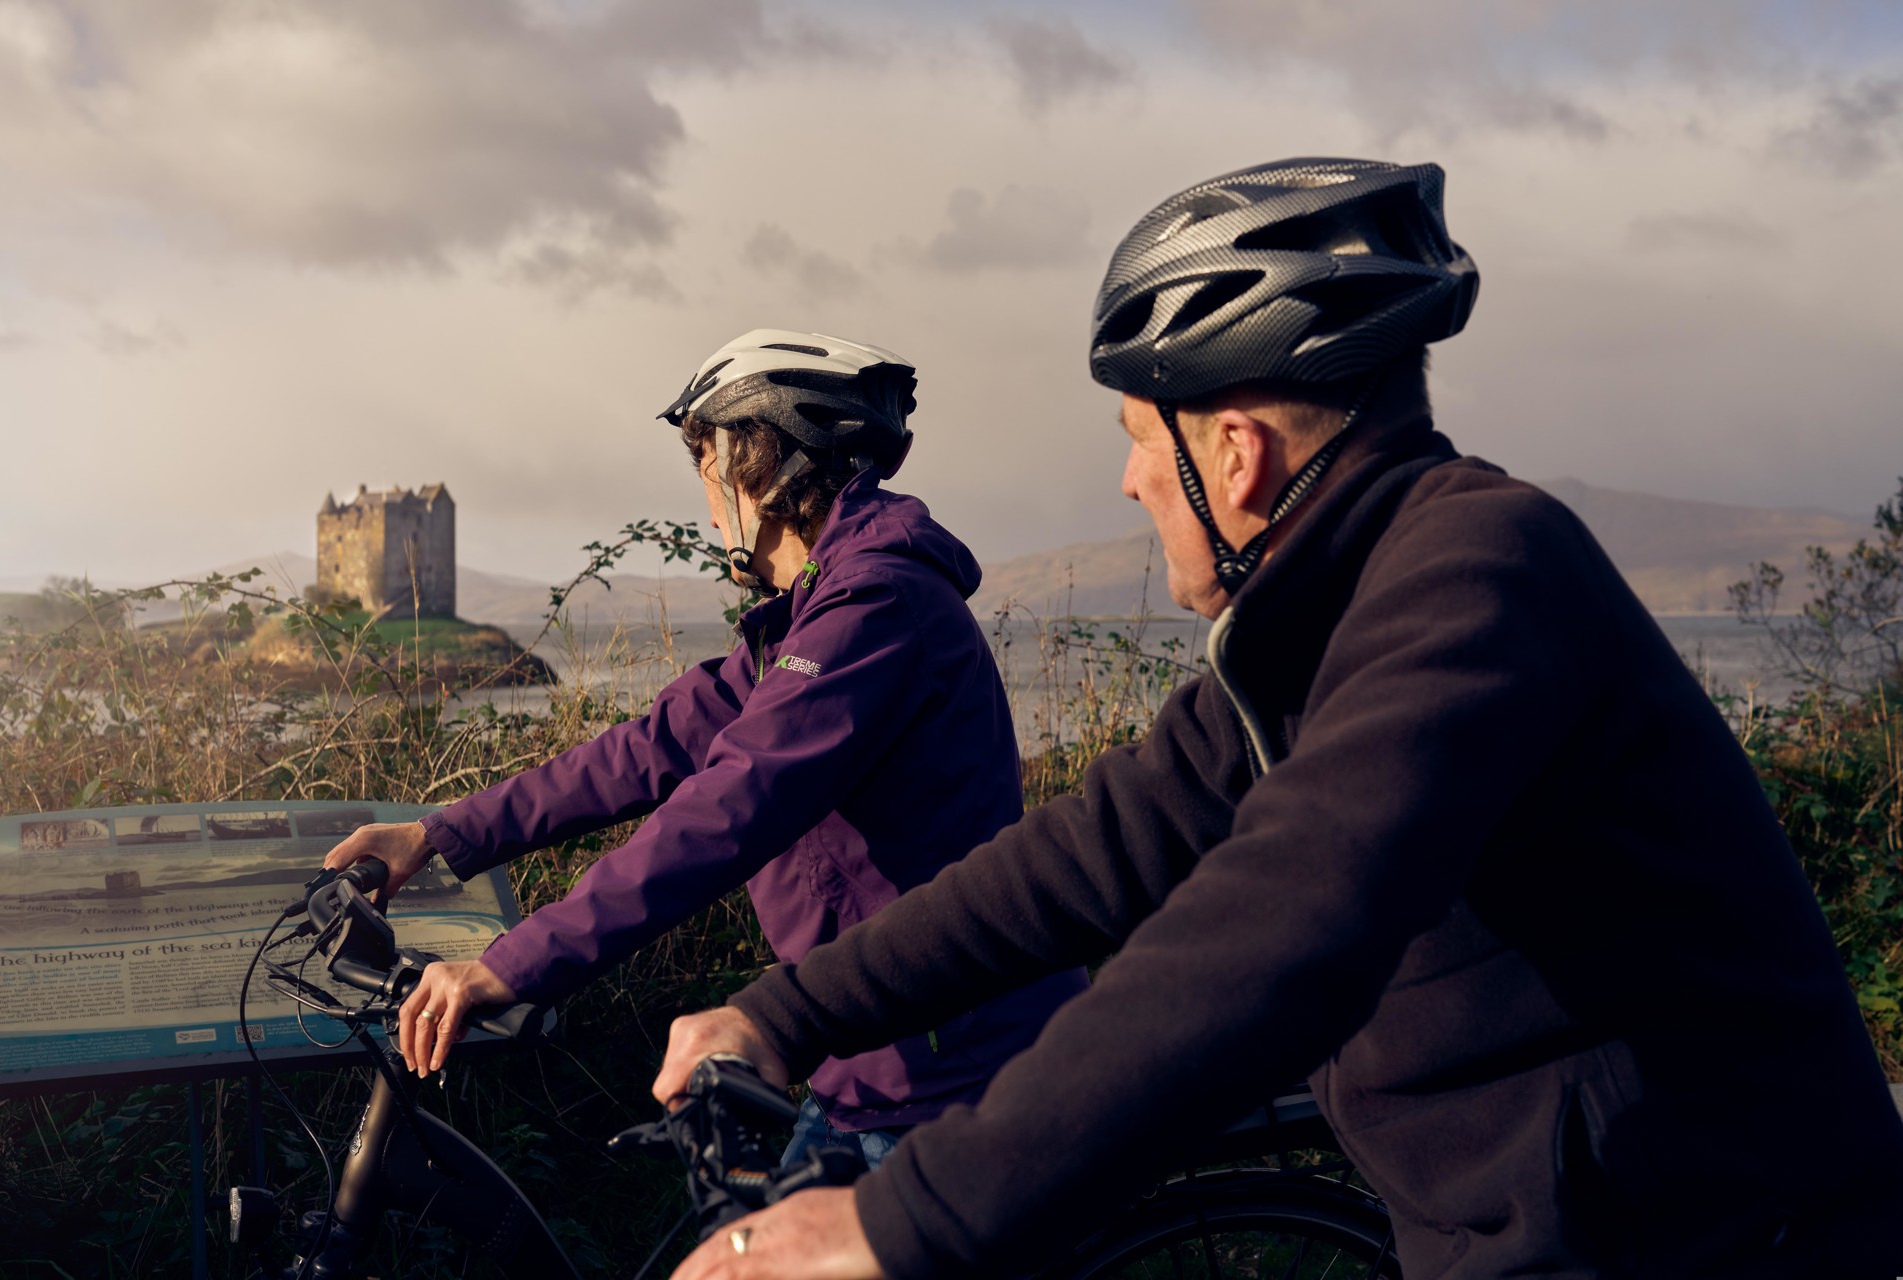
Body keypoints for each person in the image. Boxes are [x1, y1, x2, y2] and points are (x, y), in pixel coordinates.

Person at [654, 161, 1903, 1279]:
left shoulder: (1478, 573)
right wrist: (788, 1010)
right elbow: (1086, 853)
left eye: (1141, 439)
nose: (1130, 478)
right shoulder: (1320, 618)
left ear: (1236, 454)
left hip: (1720, 1239)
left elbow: (1289, 919)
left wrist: (901, 1218)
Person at [323, 328, 1085, 1165]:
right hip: (872, 1068)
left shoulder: (875, 611)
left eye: (711, 476)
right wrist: (435, 835)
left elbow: (729, 808)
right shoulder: (810, 619)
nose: (711, 506)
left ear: (761, 471)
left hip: (943, 1077)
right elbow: (643, 751)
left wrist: (512, 965)